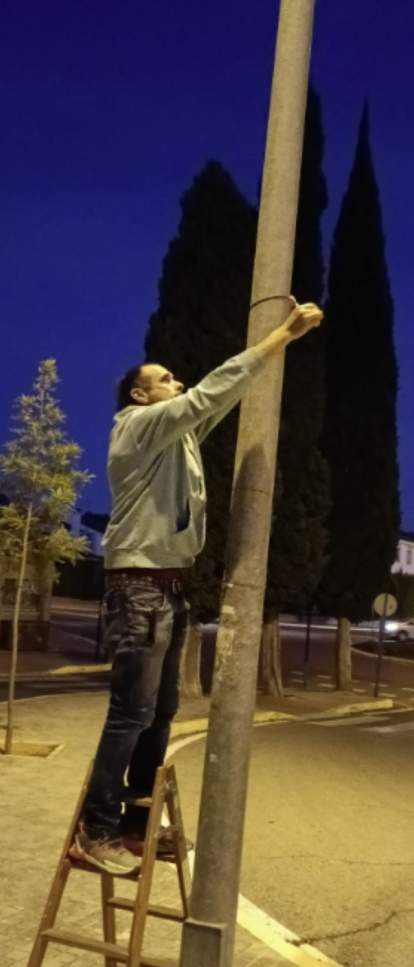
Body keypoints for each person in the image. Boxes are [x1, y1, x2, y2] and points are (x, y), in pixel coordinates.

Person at [73, 298, 323, 874]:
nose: (177, 383)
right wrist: (282, 335)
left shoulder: (175, 436)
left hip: (166, 586)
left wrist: (271, 351)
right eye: (165, 379)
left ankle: (136, 823)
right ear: (139, 395)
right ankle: (96, 828)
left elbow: (219, 398)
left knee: (160, 712)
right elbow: (210, 392)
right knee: (130, 712)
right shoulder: (137, 426)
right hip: (138, 583)